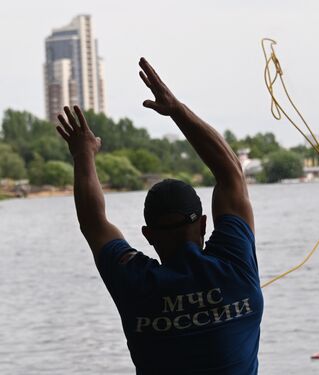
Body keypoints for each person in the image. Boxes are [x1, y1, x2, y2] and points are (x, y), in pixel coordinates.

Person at [55, 58, 263, 374]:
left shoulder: (135, 283)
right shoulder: (234, 266)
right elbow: (231, 173)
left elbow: (93, 222)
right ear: (204, 224)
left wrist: (83, 154)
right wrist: (176, 110)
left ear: (149, 235)